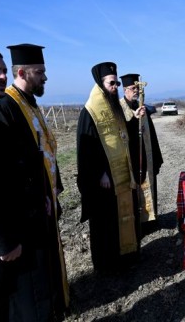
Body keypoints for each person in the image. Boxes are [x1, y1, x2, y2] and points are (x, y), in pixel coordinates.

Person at [0, 45, 68, 321]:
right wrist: (3, 241)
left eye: (3, 71)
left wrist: (45, 193)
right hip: (0, 239)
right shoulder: (2, 106)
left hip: (29, 212)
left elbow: (31, 158)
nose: (1, 77)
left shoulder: (14, 104)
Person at [77, 62, 140, 272]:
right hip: (105, 178)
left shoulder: (114, 105)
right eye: (112, 83)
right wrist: (100, 172)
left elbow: (123, 136)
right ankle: (108, 264)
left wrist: (134, 120)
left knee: (125, 215)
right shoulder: (91, 111)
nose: (115, 86)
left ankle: (128, 254)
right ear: (101, 83)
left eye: (117, 82)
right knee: (107, 222)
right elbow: (86, 148)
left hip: (123, 172)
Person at [119, 73, 163, 234]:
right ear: (125, 90)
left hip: (146, 154)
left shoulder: (142, 106)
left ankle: (150, 220)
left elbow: (151, 133)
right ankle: (137, 221)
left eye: (137, 88)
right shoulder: (119, 108)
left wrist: (156, 156)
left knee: (150, 185)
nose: (136, 91)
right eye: (133, 88)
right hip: (131, 155)